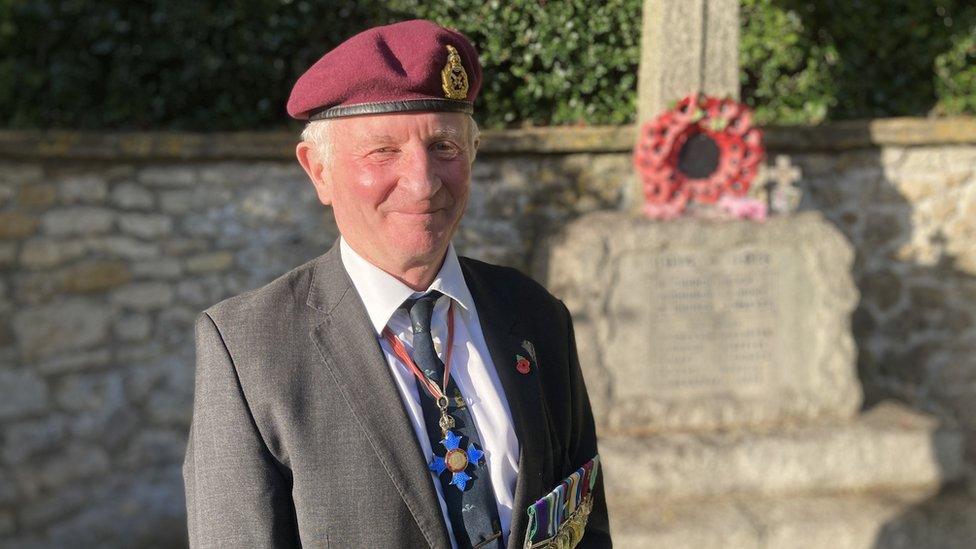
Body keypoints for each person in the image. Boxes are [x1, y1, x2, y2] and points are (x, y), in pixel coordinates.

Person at [182, 19, 610, 549]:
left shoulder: (535, 315)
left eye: (445, 147)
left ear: (473, 154)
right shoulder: (249, 348)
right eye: (383, 151)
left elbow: (582, 525)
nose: (424, 182)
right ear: (318, 170)